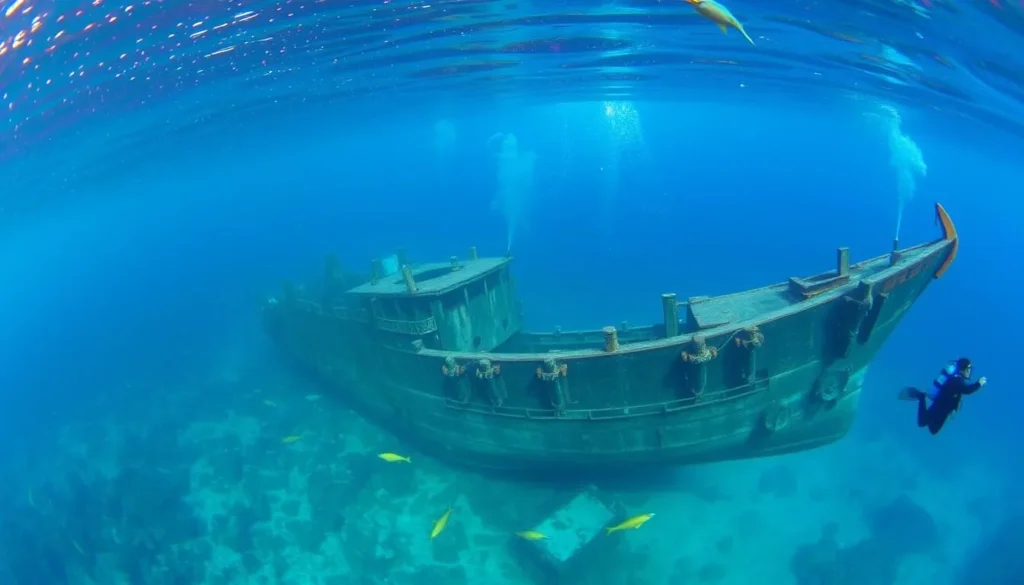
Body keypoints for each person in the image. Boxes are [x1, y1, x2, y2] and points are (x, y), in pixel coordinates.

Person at [899, 357, 987, 435]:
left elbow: (961, 391)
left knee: (926, 425)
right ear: (965, 369)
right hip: (941, 407)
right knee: (930, 428)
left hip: (941, 406)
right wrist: (979, 383)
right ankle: (921, 396)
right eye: (969, 369)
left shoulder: (957, 378)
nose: (970, 371)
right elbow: (967, 390)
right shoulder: (957, 380)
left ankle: (921, 397)